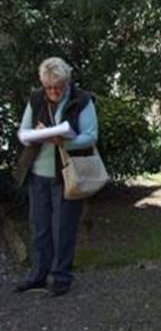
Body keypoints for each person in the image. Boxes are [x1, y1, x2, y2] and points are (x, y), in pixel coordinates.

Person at [13, 56, 99, 296]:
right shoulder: (36, 98)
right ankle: (38, 274)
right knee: (39, 226)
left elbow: (91, 136)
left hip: (67, 175)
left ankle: (61, 277)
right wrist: (34, 135)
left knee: (63, 228)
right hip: (38, 172)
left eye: (58, 87)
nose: (53, 91)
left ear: (67, 82)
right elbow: (23, 132)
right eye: (48, 87)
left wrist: (64, 141)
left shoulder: (82, 100)